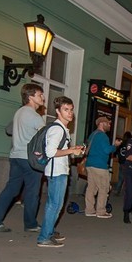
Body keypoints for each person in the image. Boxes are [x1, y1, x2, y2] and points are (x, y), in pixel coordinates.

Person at [0, 83, 46, 233]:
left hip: (15, 156)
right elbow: (44, 138)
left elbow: (8, 129)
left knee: (12, 189)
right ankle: (31, 224)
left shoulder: (19, 112)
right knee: (32, 192)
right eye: (40, 95)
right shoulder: (35, 116)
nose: (43, 98)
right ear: (31, 96)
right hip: (30, 159)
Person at [36, 96, 84, 247]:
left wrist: (72, 149)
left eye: (71, 110)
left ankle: (49, 232)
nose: (70, 113)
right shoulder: (57, 129)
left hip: (59, 170)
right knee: (54, 205)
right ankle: (44, 237)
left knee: (56, 204)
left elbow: (60, 149)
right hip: (56, 172)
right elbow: (50, 152)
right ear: (58, 111)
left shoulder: (62, 129)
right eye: (66, 110)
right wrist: (71, 150)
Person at [85, 115, 120, 218]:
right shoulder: (103, 136)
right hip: (100, 166)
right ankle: (101, 211)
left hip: (90, 165)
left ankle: (89, 210)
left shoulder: (93, 135)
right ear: (101, 123)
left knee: (91, 188)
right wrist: (115, 146)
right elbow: (107, 150)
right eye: (108, 123)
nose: (109, 125)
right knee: (103, 188)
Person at [114, 131, 132, 196]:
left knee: (120, 178)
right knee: (127, 179)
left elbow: (116, 152)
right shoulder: (130, 145)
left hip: (121, 162)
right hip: (127, 163)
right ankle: (126, 192)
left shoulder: (121, 144)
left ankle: (117, 190)